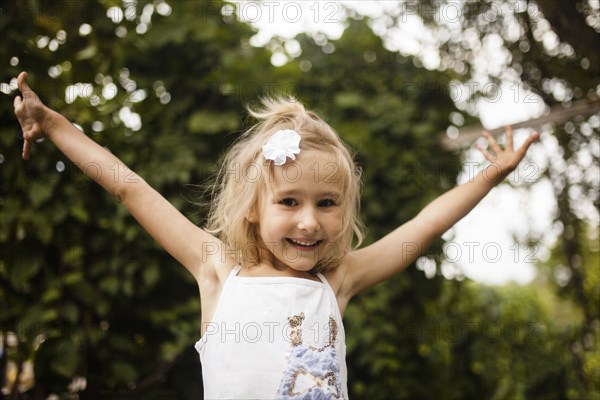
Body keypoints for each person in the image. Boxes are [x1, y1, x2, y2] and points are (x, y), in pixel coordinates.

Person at [13, 71, 539, 399]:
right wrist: (53, 124)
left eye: (327, 204)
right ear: (252, 210)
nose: (309, 221)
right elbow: (131, 189)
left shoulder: (339, 279)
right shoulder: (219, 268)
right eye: (289, 202)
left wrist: (488, 176)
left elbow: (424, 227)